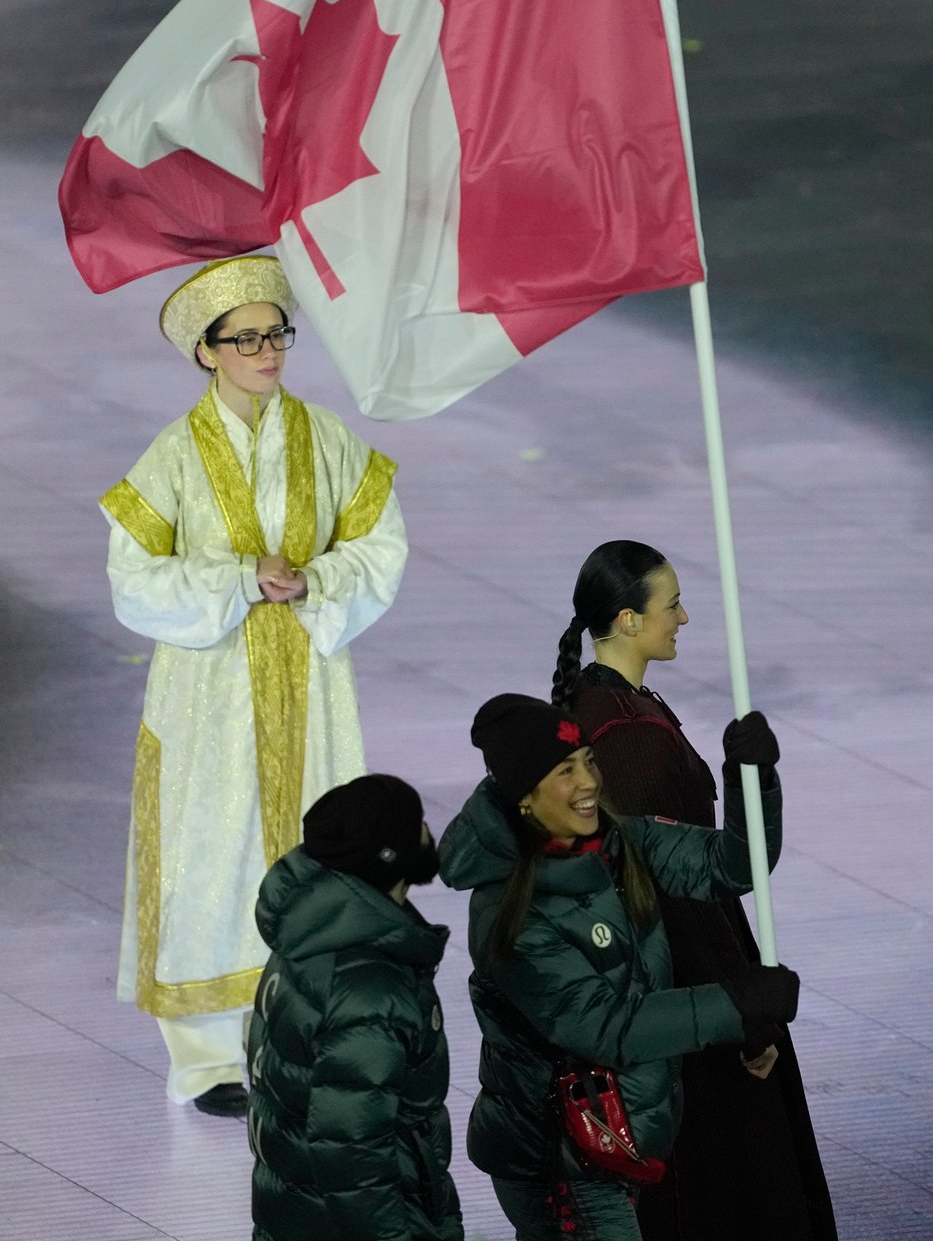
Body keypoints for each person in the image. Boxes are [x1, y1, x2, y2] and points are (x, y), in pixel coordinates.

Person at [99, 254, 408, 1116]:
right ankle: (207, 1063)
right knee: (206, 849)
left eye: (276, 334)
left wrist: (315, 582)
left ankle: (303, 1038)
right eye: (247, 339)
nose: (267, 351)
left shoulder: (326, 438)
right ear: (207, 352)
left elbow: (379, 542)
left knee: (312, 846)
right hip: (209, 693)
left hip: (310, 677)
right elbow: (134, 581)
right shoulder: (172, 456)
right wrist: (238, 577)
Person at [552, 540, 837, 1241]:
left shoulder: (606, 707)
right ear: (624, 619)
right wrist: (746, 1014)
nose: (684, 617)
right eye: (671, 603)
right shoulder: (628, 737)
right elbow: (678, 899)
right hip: (691, 1001)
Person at [439, 692, 800, 1241]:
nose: (589, 782)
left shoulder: (619, 842)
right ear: (524, 798)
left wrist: (751, 782)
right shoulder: (511, 913)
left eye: (588, 760)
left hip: (607, 1137)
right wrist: (736, 1005)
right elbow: (605, 1027)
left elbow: (729, 866)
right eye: (566, 770)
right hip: (557, 1157)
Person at [248, 774, 463, 1241]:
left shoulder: (312, 934)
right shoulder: (369, 991)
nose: (428, 832)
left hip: (294, 1214)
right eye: (418, 825)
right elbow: (353, 1156)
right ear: (392, 856)